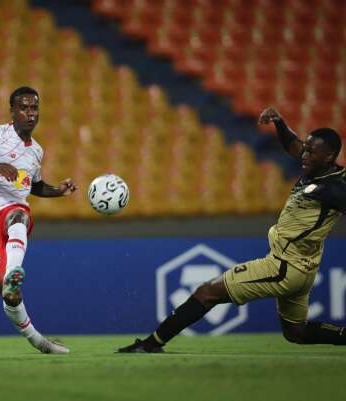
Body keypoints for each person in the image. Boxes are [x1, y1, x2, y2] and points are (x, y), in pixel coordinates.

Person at [117, 107, 346, 353]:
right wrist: (279, 123)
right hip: (302, 270)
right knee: (295, 332)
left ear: (329, 155)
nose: (305, 154)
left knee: (207, 293)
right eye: (307, 148)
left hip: (283, 267)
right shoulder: (318, 167)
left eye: (312, 151)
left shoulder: (334, 188)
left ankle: (151, 344)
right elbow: (293, 145)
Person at [0, 86, 77, 354]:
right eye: (24, 108)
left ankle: (13, 271)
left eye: (34, 108)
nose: (30, 114)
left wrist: (58, 191)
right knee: (10, 296)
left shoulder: (36, 152)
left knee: (18, 212)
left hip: (11, 212)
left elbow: (33, 185)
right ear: (13, 112)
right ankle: (38, 341)